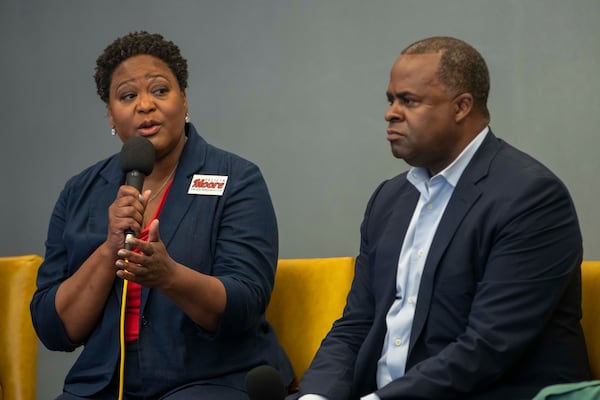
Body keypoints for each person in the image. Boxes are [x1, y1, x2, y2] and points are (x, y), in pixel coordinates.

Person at [289, 36, 590, 400]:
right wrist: (316, 396)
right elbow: (357, 325)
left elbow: (489, 346)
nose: (391, 113)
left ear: (462, 107)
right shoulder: (389, 199)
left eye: (409, 101)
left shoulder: (531, 197)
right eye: (390, 100)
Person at [30, 31, 292, 400]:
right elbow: (52, 327)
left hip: (209, 378)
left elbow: (244, 304)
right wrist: (109, 250)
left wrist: (170, 277)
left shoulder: (236, 178)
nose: (145, 106)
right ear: (110, 113)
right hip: (104, 385)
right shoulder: (80, 192)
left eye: (160, 90)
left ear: (184, 100)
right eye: (127, 96)